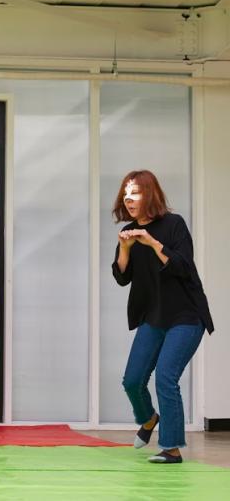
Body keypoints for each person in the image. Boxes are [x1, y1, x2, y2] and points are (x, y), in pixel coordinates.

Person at [112, 170, 213, 464]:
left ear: (150, 194)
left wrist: (152, 243)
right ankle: (148, 418)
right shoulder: (129, 231)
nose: (129, 199)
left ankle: (171, 448)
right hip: (153, 317)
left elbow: (182, 265)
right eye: (126, 194)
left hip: (186, 316)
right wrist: (125, 248)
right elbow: (122, 277)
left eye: (135, 193)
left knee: (166, 378)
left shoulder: (174, 224)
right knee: (132, 380)